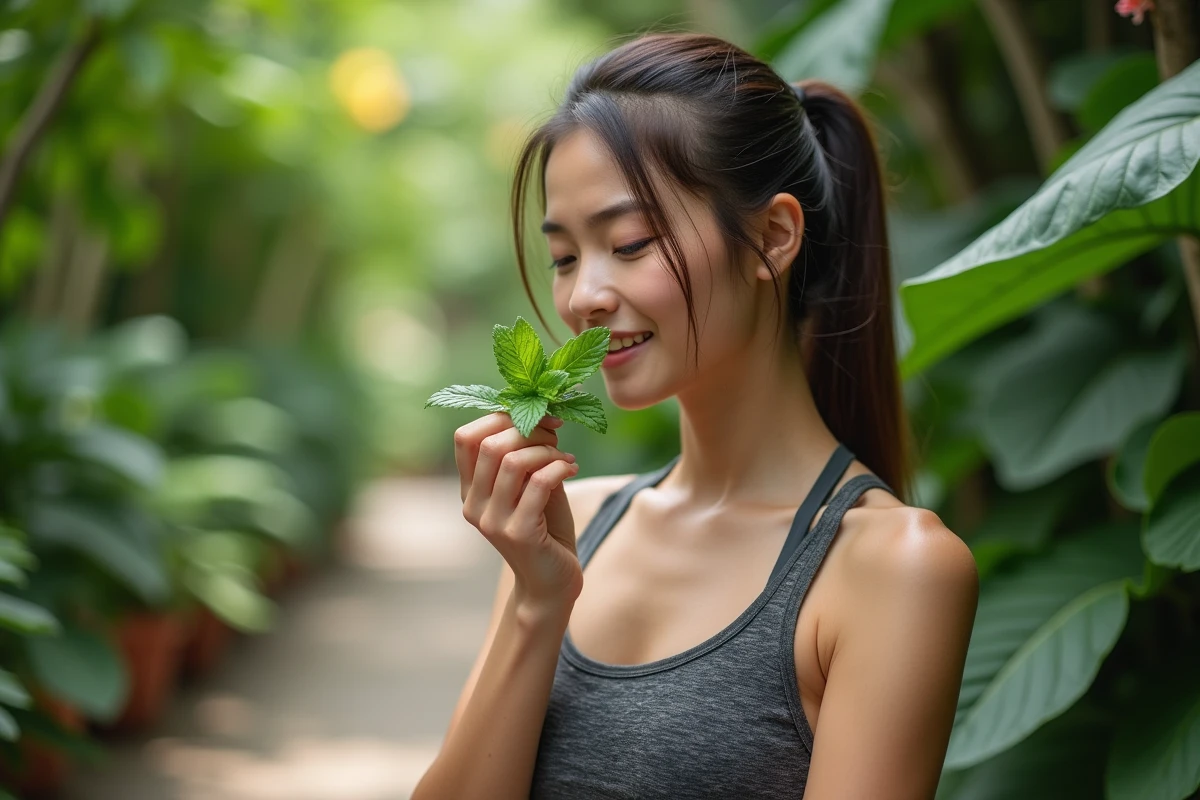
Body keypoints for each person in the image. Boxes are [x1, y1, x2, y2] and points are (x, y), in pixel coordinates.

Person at [413, 31, 979, 800]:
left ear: (773, 237)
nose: (584, 297)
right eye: (566, 256)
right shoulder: (569, 526)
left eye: (631, 242)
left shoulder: (892, 567)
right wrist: (537, 604)